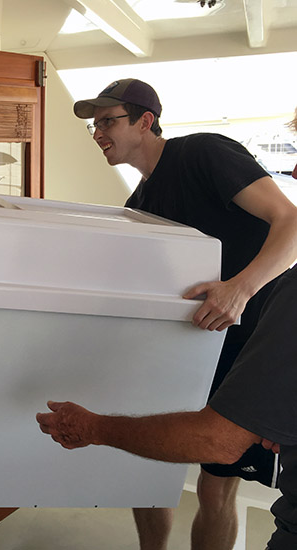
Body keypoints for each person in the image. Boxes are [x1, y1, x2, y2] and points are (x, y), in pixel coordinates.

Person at [71, 80, 297, 550]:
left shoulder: (203, 154)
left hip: (246, 349)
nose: (98, 134)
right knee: (146, 465)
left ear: (145, 121)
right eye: (95, 126)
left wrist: (240, 289)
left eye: (109, 121)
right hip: (181, 352)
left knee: (216, 481)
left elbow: (290, 220)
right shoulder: (137, 207)